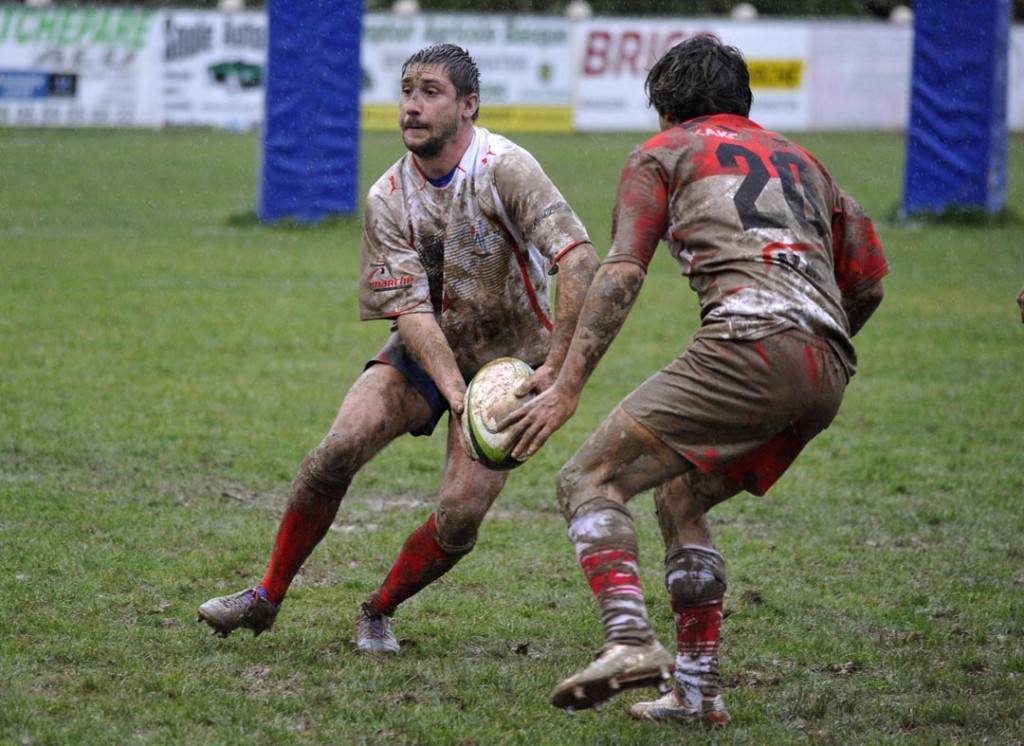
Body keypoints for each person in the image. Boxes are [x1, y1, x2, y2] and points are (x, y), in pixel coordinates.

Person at [502, 35, 889, 725]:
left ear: (665, 107)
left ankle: (628, 640)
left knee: (586, 481)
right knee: (679, 495)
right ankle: (699, 690)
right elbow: (868, 285)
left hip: (749, 346)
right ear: (744, 100)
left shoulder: (664, 152)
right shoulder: (808, 163)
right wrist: (808, 351)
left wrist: (565, 385)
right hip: (828, 366)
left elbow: (621, 271)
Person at [197, 43, 599, 652]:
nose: (412, 106)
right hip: (425, 352)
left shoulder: (506, 169)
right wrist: (451, 389)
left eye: (430, 92)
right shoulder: (387, 197)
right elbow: (409, 308)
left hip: (512, 365)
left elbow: (579, 259)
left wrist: (557, 367)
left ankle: (379, 609)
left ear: (469, 106)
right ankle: (265, 597)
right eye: (407, 90)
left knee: (461, 516)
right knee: (335, 451)